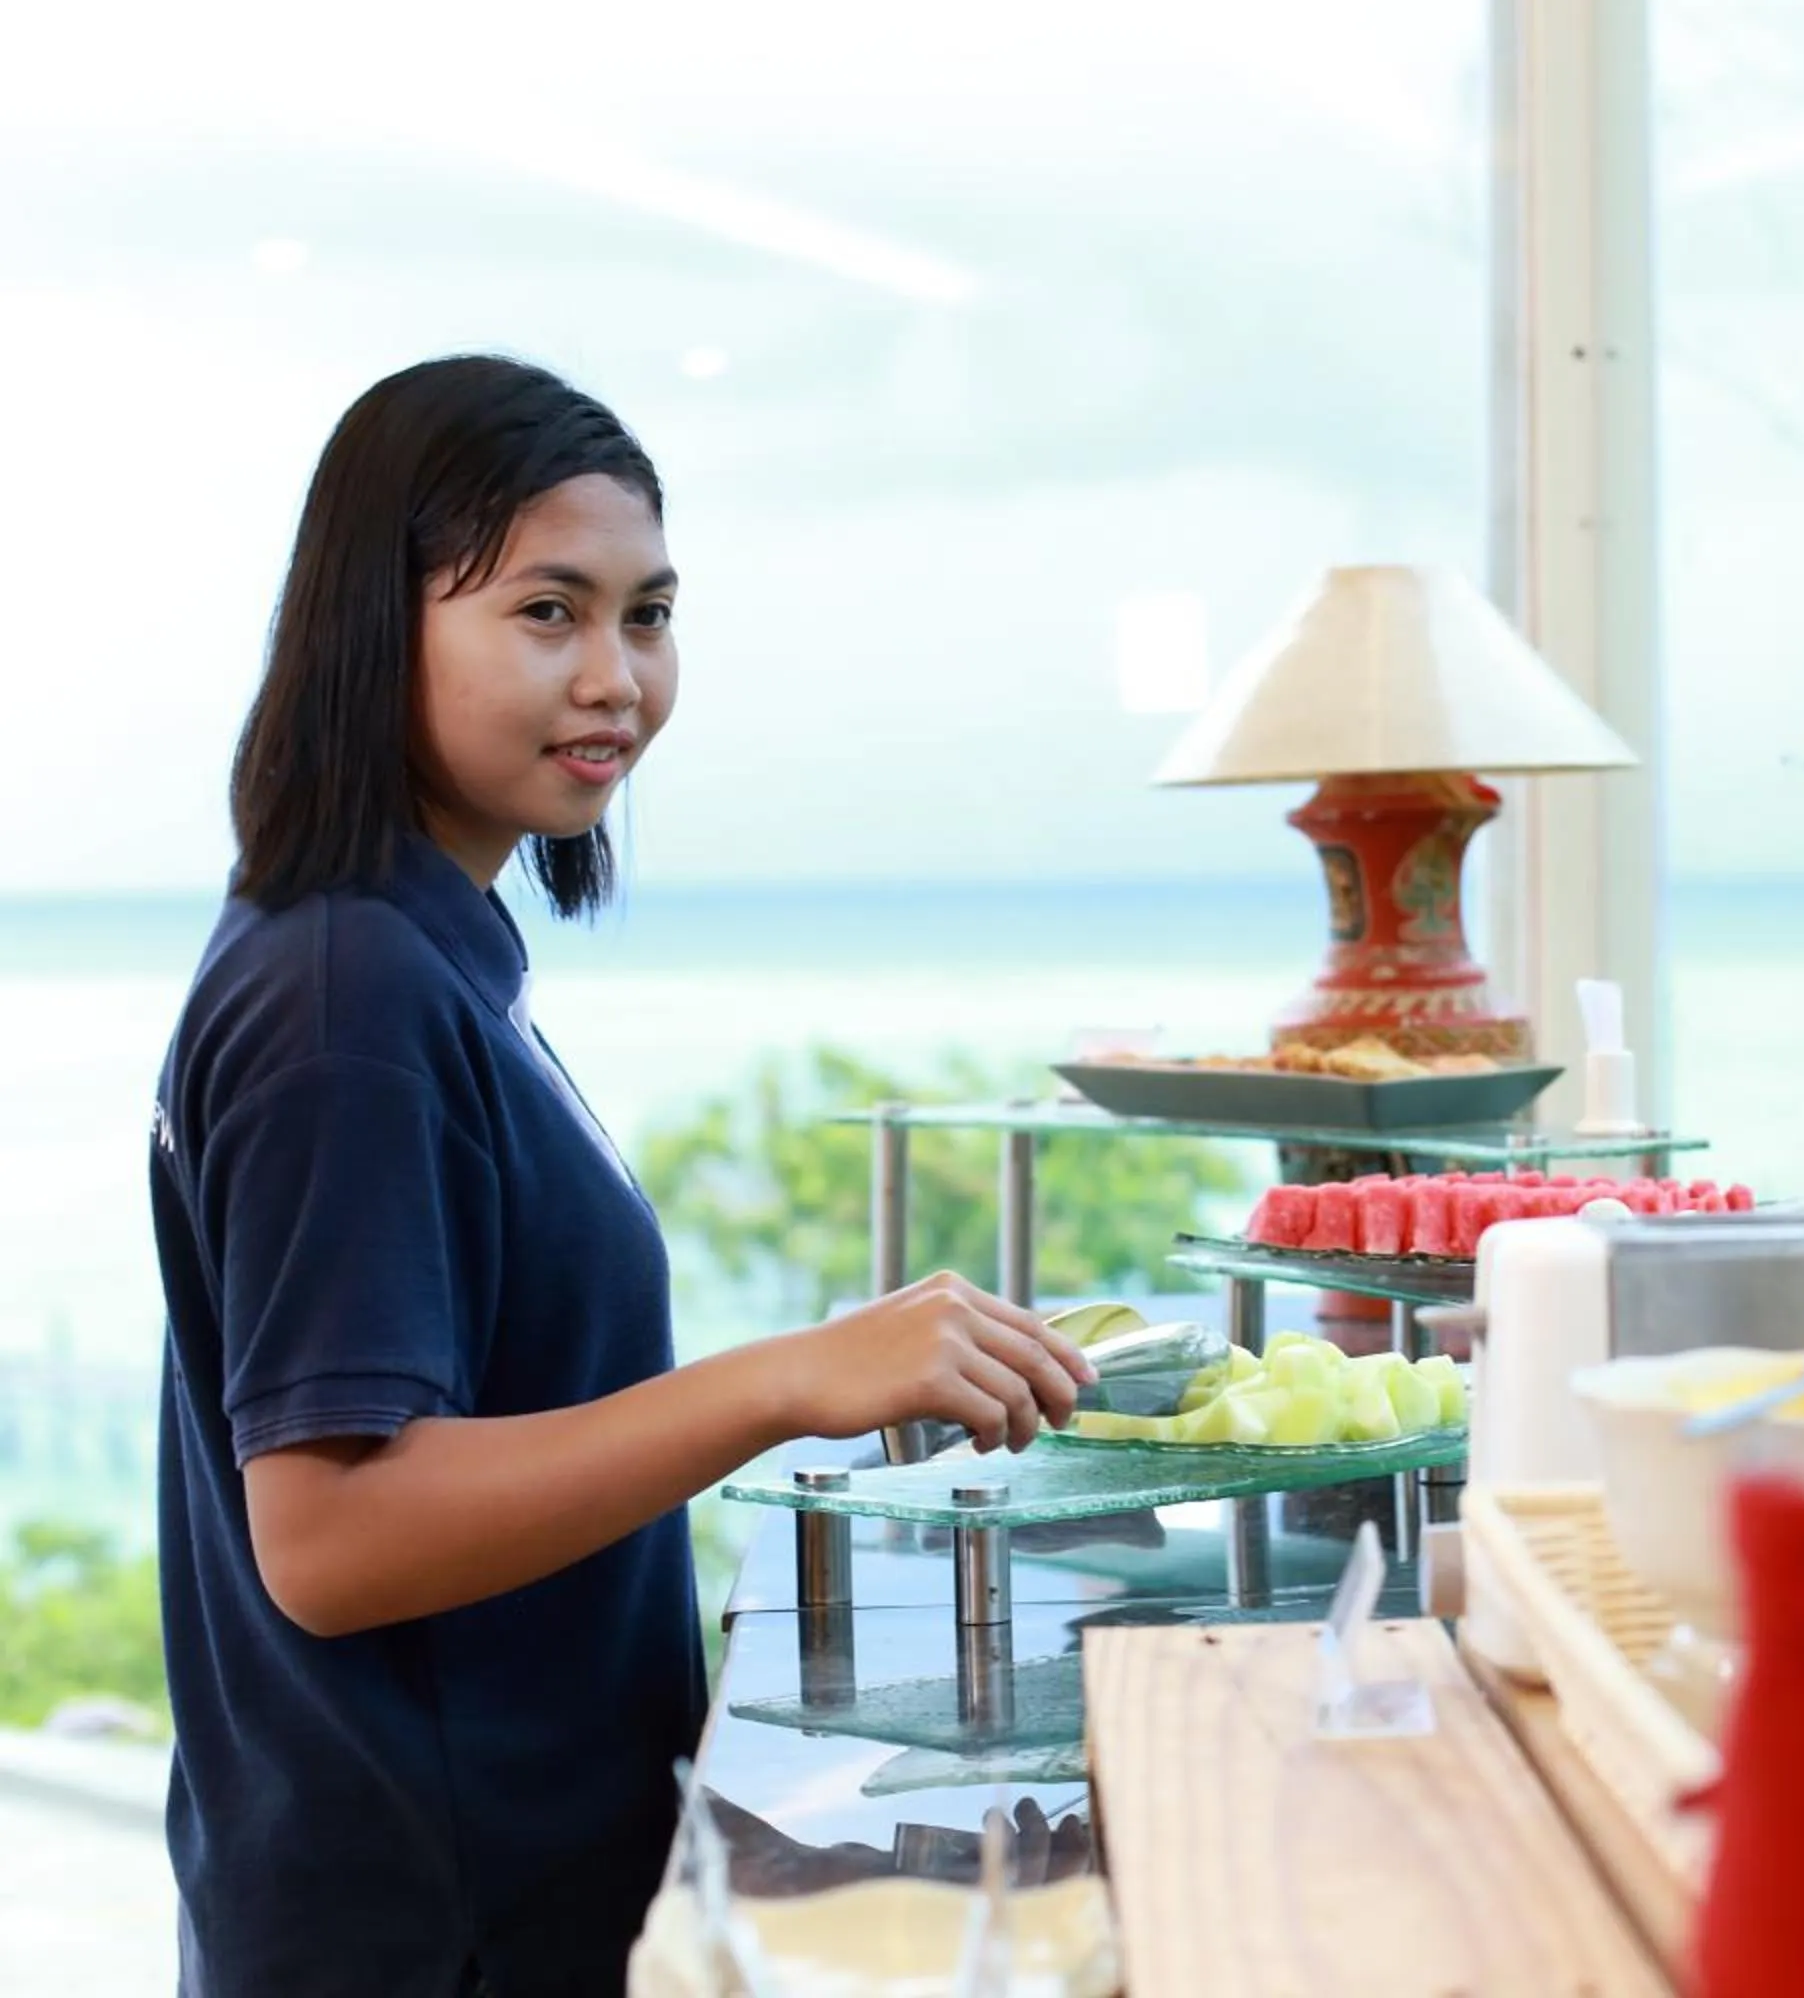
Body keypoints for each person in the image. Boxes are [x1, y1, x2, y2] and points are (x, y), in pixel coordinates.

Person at [147, 354, 1097, 1998]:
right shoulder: (345, 1002)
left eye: (648, 616)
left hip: (473, 1882)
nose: (616, 679)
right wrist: (783, 1382)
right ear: (376, 625)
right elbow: (329, 1537)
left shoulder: (413, 954)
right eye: (546, 614)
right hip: (430, 1925)